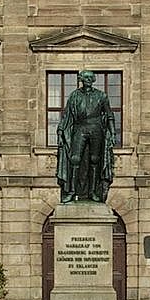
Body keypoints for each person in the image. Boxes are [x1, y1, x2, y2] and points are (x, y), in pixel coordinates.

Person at [55, 69, 115, 203]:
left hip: (96, 128)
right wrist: (60, 132)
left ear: (93, 80)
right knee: (75, 159)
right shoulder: (74, 95)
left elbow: (110, 115)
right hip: (80, 127)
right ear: (81, 79)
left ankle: (93, 191)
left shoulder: (101, 96)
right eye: (85, 77)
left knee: (95, 159)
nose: (87, 80)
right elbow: (67, 115)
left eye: (90, 78)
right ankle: (71, 191)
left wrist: (112, 133)